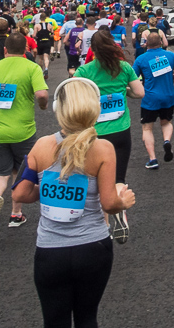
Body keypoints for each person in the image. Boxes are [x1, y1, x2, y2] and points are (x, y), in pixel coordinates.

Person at [14, 77, 136, 328]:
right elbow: (109, 204)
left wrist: (50, 186)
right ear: (95, 109)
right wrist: (124, 202)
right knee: (87, 318)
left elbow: (20, 194)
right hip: (92, 248)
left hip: (50, 251)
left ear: (60, 110)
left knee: (54, 321)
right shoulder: (103, 148)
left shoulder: (41, 146)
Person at [0, 33, 49, 230]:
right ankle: (16, 214)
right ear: (25, 50)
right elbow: (41, 94)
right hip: (23, 131)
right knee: (21, 172)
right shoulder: (32, 67)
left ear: (5, 50)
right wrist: (42, 105)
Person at [75, 30, 143, 243]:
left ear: (92, 50)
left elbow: (75, 96)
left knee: (96, 180)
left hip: (95, 134)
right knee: (119, 177)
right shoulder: (123, 67)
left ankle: (103, 227)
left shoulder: (84, 70)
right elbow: (139, 93)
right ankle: (120, 209)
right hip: (120, 130)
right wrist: (125, 92)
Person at [132, 33, 174, 169]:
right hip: (168, 97)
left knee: (147, 128)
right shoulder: (170, 56)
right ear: (161, 42)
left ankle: (153, 159)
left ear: (146, 44)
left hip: (150, 99)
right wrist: (173, 76)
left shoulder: (141, 59)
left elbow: (133, 78)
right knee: (166, 122)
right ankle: (166, 141)